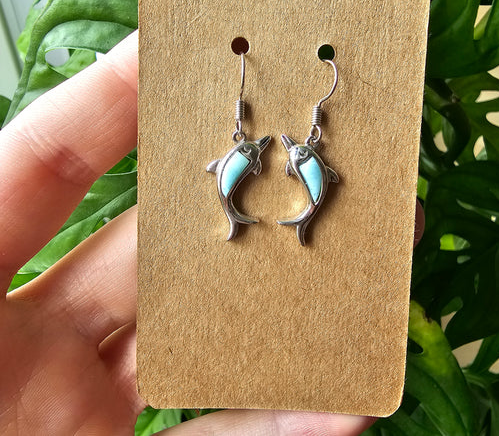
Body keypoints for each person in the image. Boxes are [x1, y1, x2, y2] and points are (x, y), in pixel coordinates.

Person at [0, 32, 423, 435]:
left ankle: (281, 217)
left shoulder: (278, 155)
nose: (266, 154)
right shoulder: (259, 154)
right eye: (256, 153)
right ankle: (258, 216)